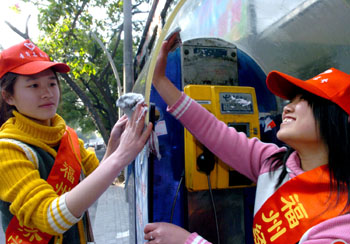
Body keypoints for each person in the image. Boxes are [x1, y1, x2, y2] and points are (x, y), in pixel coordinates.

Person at [143, 33, 350, 244]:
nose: (287, 108)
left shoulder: (342, 219)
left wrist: (188, 241)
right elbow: (213, 131)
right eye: (290, 100)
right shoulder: (273, 163)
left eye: (303, 100)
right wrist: (161, 82)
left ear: (339, 120)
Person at [0, 39, 153, 244]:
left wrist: (113, 148)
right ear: (8, 96)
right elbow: (50, 218)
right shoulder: (8, 149)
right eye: (34, 85)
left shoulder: (67, 136)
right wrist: (120, 156)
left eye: (52, 83)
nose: (46, 93)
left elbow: (96, 175)